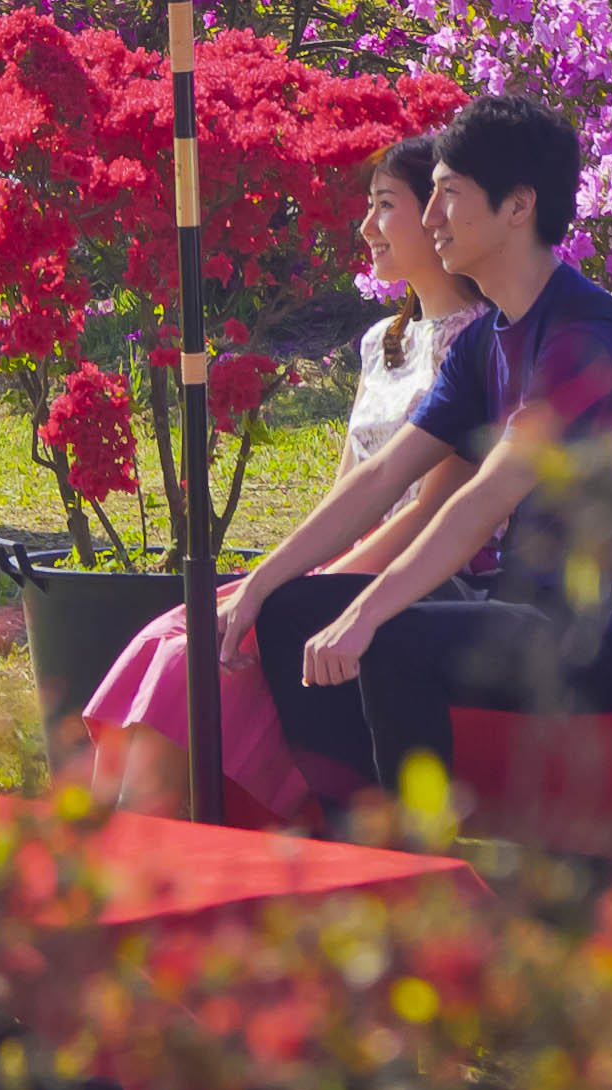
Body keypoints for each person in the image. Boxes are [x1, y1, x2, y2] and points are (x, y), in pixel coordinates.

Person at [207, 95, 612, 798]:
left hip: (598, 639)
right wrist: (260, 584)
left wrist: (365, 615)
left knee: (390, 636)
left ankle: (419, 855)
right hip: (514, 602)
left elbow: (484, 496)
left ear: (518, 207)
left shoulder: (583, 339)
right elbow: (378, 477)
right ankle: (354, 824)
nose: (430, 219)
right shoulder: (486, 341)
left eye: (449, 195)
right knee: (289, 611)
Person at [75, 137, 488, 822]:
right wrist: (280, 578)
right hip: (346, 566)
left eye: (384, 206)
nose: (364, 227)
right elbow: (349, 492)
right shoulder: (382, 340)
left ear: (436, 214)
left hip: (420, 578)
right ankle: (99, 851)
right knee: (168, 636)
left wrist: (305, 593)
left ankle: (134, 854)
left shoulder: (477, 343)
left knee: (195, 664)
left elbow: (428, 516)